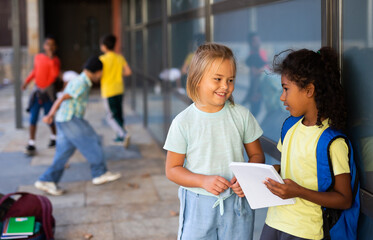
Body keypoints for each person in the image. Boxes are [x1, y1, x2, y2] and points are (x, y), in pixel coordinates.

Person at [164, 43, 265, 239]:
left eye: (231, 80)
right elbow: (172, 170)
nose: (225, 86)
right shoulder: (182, 122)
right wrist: (203, 181)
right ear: (198, 79)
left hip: (238, 202)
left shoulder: (242, 116)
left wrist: (246, 178)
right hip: (197, 203)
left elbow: (257, 155)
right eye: (218, 79)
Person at [260, 47, 358, 240]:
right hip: (274, 221)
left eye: (286, 89)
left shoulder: (333, 142)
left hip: (306, 232)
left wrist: (298, 191)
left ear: (309, 90)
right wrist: (273, 172)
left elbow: (344, 199)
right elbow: (293, 166)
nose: (282, 97)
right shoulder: (289, 126)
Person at [34, 56, 121, 196]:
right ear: (97, 71)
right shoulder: (81, 82)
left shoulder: (82, 80)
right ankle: (99, 173)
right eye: (101, 73)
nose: (101, 76)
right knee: (93, 139)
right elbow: (62, 97)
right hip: (70, 119)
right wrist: (50, 114)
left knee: (63, 153)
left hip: (65, 119)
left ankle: (47, 180)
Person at [22, 35, 61, 155]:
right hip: (37, 91)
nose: (50, 47)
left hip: (48, 93)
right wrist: (26, 82)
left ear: (55, 47)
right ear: (44, 46)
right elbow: (35, 71)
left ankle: (54, 137)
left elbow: (54, 75)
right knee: (33, 117)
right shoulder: (38, 57)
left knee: (49, 117)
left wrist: (50, 59)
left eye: (52, 44)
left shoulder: (55, 61)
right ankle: (31, 143)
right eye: (48, 44)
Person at [99, 34, 132, 147]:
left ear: (104, 46)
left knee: (111, 116)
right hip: (119, 89)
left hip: (108, 91)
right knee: (119, 114)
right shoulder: (120, 57)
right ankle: (120, 135)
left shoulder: (102, 59)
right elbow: (128, 72)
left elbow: (99, 74)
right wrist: (119, 73)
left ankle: (124, 133)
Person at [242, 32, 268, 118]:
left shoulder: (261, 53)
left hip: (262, 90)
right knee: (255, 115)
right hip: (258, 91)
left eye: (258, 40)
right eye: (255, 41)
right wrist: (254, 93)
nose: (258, 42)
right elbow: (255, 75)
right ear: (251, 43)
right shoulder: (253, 56)